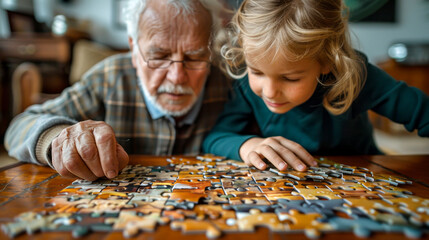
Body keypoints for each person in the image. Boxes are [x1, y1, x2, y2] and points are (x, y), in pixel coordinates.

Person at [4, 0, 231, 181]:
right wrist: (58, 139)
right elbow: (18, 127)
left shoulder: (230, 84)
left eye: (194, 57)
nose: (177, 76)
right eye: (159, 57)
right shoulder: (109, 78)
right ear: (134, 49)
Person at [203, 0, 429, 172]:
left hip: (363, 177)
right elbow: (216, 137)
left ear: (329, 61)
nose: (269, 91)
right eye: (257, 72)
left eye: (290, 78)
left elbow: (423, 113)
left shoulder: (356, 74)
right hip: (286, 190)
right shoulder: (245, 84)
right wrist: (248, 145)